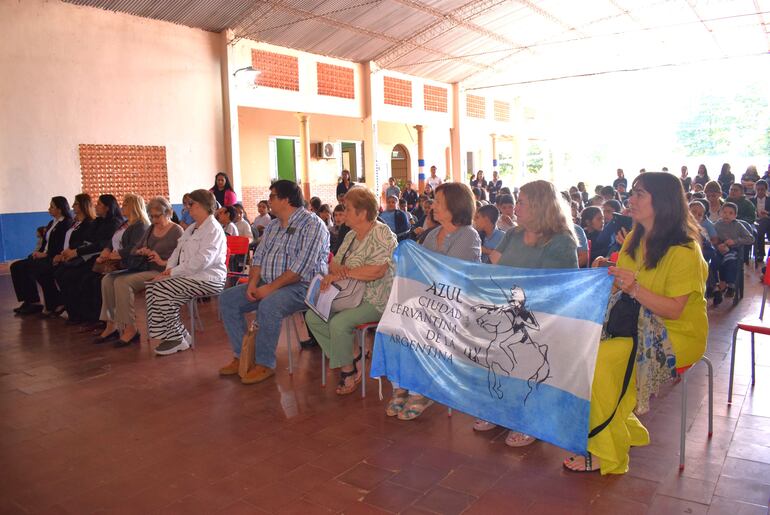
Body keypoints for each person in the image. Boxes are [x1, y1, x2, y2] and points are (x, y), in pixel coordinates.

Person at [564, 172, 708, 474]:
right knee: (584, 351)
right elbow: (628, 283)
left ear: (663, 202)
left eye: (640, 193)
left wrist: (633, 287)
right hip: (637, 323)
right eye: (632, 192)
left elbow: (674, 311)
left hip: (675, 334)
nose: (631, 199)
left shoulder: (685, 251)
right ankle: (622, 429)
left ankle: (609, 454)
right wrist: (609, 273)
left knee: (602, 364)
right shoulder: (635, 237)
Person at [478, 180, 578, 446]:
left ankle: (532, 418)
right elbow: (496, 267)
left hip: (543, 318)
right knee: (490, 343)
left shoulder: (560, 242)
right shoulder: (512, 234)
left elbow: (558, 288)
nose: (514, 207)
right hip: (510, 310)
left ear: (539, 206)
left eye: (521, 202)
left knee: (523, 351)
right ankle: (500, 410)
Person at [386, 182, 481, 421]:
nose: (432, 206)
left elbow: (448, 275)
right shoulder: (432, 235)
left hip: (456, 306)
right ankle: (401, 385)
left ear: (454, 206)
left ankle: (420, 390)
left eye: (438, 202)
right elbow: (418, 268)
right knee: (393, 322)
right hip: (427, 300)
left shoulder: (468, 235)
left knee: (416, 323)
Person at [218, 180, 329, 383]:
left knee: (270, 304)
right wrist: (253, 283)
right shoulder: (274, 226)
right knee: (227, 299)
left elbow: (299, 269)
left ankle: (264, 363)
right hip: (268, 283)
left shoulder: (313, 225)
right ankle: (242, 356)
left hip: (303, 286)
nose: (269, 201)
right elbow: (258, 257)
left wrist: (268, 289)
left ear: (286, 200)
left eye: (272, 196)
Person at [305, 188, 396, 395]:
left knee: (339, 323)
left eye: (347, 209)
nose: (343, 213)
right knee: (313, 317)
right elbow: (334, 265)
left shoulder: (381, 233)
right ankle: (352, 354)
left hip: (377, 299)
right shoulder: (351, 235)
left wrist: (345, 273)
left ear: (362, 213)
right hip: (347, 296)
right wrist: (347, 272)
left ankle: (348, 369)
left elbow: (377, 271)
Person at [145, 189, 227, 356]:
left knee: (162, 289)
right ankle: (179, 334)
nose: (188, 207)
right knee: (153, 287)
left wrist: (173, 273)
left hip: (209, 278)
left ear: (204, 205)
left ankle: (176, 338)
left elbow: (202, 261)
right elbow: (177, 252)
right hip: (190, 275)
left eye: (192, 204)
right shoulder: (192, 228)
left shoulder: (213, 229)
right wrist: (167, 271)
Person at [98, 197, 183, 347]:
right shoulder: (150, 229)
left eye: (158, 216)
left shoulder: (177, 230)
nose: (154, 219)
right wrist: (141, 251)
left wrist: (159, 258)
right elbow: (134, 249)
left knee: (122, 282)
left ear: (168, 213)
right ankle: (111, 324)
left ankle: (131, 328)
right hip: (145, 267)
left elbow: (181, 258)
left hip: (161, 270)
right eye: (152, 216)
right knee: (107, 280)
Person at [56, 194, 124, 324]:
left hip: (101, 258)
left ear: (107, 208)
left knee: (82, 278)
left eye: (99, 204)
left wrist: (78, 251)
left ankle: (92, 316)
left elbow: (102, 244)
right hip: (89, 255)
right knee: (62, 273)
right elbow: (87, 239)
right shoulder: (98, 221)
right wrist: (73, 251)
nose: (95, 206)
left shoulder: (114, 223)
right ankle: (75, 313)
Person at [11, 197, 74, 315]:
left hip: (53, 257)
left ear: (60, 209)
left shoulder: (66, 223)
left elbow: (60, 245)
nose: (49, 209)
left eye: (52, 207)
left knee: (37, 269)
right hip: (44, 255)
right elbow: (45, 242)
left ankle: (55, 302)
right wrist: (37, 252)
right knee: (16, 266)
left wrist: (45, 254)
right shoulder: (52, 223)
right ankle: (31, 301)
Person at [710, 202, 754, 304]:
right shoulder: (716, 225)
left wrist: (735, 241)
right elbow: (711, 239)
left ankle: (730, 285)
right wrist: (717, 246)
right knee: (713, 262)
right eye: (724, 212)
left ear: (735, 216)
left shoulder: (738, 225)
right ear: (720, 213)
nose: (727, 215)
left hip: (734, 250)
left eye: (730, 213)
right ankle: (715, 286)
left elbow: (750, 238)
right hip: (720, 250)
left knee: (730, 261)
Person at [752, 180, 770, 264]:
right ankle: (760, 253)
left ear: (766, 190)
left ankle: (760, 253)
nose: (760, 191)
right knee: (760, 228)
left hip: (768, 221)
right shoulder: (751, 200)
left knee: (764, 223)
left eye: (762, 189)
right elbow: (749, 214)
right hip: (755, 222)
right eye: (758, 189)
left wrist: (767, 213)